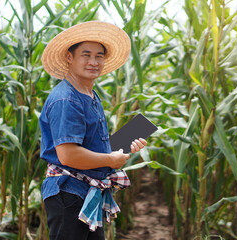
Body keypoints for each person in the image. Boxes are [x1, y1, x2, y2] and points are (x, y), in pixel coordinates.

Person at [39, 21, 147, 240]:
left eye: (99, 56)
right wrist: (110, 159)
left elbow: (89, 145)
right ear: (69, 57)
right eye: (86, 55)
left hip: (86, 193)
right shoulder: (66, 99)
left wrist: (123, 146)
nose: (93, 62)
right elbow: (68, 154)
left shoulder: (88, 94)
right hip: (68, 194)